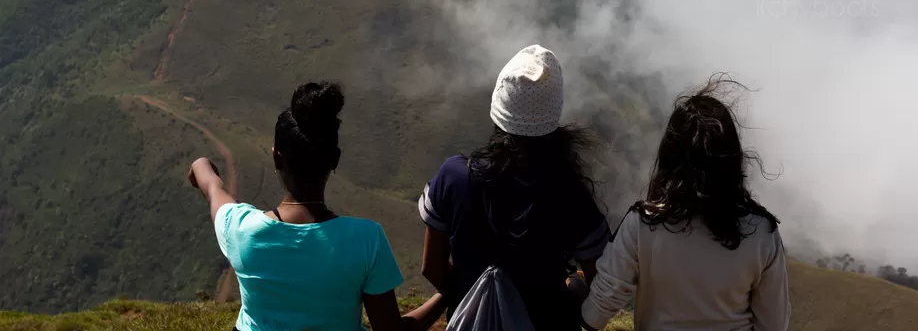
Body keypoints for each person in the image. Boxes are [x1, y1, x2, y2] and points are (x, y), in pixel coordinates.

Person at [189, 81, 445, 331]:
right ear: (335, 159)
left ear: (276, 157)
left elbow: (212, 189)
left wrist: (202, 165)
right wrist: (446, 294)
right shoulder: (366, 239)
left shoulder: (241, 229)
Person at [418, 45, 610, 330]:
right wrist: (574, 290)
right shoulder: (569, 194)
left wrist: (469, 292)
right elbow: (601, 287)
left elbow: (431, 268)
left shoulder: (453, 177)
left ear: (499, 107)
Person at [581, 76, 791, 331]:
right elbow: (774, 324)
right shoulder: (762, 232)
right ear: (732, 160)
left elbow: (599, 308)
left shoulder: (642, 223)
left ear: (669, 155)